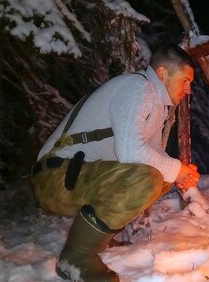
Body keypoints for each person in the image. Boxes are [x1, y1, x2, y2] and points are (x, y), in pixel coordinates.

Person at [31, 45, 200, 282]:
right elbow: (131, 152)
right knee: (147, 178)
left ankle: (96, 237)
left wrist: (180, 172)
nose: (189, 89)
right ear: (162, 73)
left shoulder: (157, 105)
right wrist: (177, 169)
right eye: (185, 80)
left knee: (160, 176)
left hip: (77, 175)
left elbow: (153, 155)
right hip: (54, 175)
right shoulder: (138, 88)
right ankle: (76, 257)